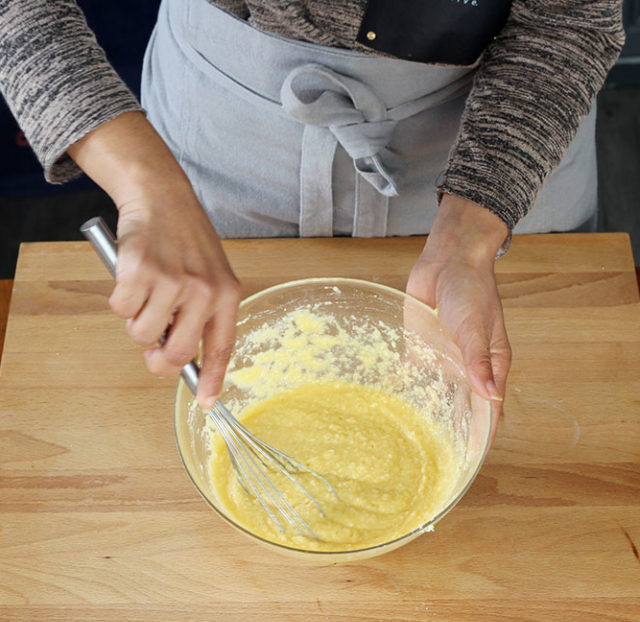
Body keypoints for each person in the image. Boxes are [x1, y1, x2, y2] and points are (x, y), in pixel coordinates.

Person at [0, 0, 625, 439]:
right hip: (224, 117)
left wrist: (467, 241)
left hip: (501, 129)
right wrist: (147, 188)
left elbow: (568, 19)